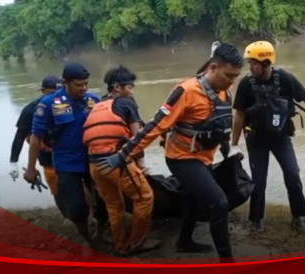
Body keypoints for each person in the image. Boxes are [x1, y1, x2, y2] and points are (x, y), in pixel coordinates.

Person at [95, 43, 244, 262]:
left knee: (194, 199)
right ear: (213, 67)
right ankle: (227, 260)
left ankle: (184, 242)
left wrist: (226, 148)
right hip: (181, 158)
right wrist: (123, 154)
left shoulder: (225, 91)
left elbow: (220, 122)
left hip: (203, 157)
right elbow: (155, 126)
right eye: (228, 75)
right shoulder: (185, 91)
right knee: (219, 202)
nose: (232, 81)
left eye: (236, 76)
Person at [231, 40, 305, 232]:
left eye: (254, 63)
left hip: (280, 136)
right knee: (259, 180)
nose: (251, 67)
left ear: (266, 63)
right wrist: (234, 145)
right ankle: (257, 220)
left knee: (292, 174)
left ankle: (298, 217)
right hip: (256, 138)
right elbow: (239, 115)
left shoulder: (285, 79)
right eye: (250, 63)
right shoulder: (246, 85)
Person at [24, 62, 108, 247]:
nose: (83, 88)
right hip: (65, 163)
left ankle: (100, 234)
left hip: (92, 160)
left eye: (85, 83)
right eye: (78, 85)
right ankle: (87, 240)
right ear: (65, 83)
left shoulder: (93, 100)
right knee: (77, 209)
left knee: (102, 202)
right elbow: (36, 138)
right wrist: (31, 169)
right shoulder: (48, 104)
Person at [83, 65, 160, 256]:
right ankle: (137, 243)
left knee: (114, 205)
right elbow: (137, 138)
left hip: (95, 165)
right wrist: (141, 165)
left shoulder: (98, 105)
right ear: (117, 87)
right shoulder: (126, 103)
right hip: (117, 162)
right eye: (130, 87)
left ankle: (121, 245)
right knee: (144, 198)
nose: (132, 91)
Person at [9, 75, 67, 215]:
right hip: (47, 157)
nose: (54, 97)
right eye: (51, 93)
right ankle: (66, 215)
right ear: (43, 91)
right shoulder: (31, 110)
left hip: (68, 154)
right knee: (57, 190)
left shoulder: (65, 104)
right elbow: (20, 135)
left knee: (80, 186)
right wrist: (13, 162)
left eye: (58, 92)